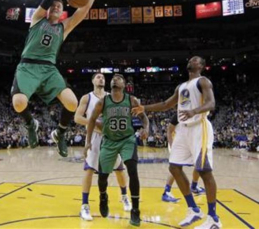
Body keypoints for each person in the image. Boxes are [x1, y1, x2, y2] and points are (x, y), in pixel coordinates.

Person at [11, 0, 106, 157]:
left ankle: (60, 132)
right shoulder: (37, 19)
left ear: (63, 11)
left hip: (49, 69)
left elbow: (85, 9)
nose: (55, 6)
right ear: (47, 9)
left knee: (72, 103)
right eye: (53, 5)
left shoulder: (64, 27)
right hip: (28, 66)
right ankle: (31, 124)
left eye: (59, 5)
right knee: (19, 103)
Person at [133, 56, 222, 229]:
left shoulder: (203, 81)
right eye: (190, 59)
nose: (191, 60)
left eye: (196, 60)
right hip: (183, 129)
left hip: (199, 127)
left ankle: (213, 218)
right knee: (174, 167)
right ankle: (194, 210)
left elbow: (211, 103)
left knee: (204, 170)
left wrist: (194, 111)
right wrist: (145, 108)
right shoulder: (181, 86)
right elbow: (166, 104)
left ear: (201, 66)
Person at [86, 74, 149, 226]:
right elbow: (92, 120)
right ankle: (103, 197)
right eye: (114, 78)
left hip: (127, 140)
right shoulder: (103, 102)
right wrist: (88, 142)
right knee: (102, 176)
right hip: (108, 141)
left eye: (119, 78)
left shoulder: (131, 100)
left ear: (124, 84)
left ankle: (135, 210)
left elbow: (144, 118)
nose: (115, 79)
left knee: (132, 170)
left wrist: (146, 128)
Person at [75, 73, 131, 221]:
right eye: (98, 77)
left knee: (119, 169)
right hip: (94, 137)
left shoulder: (111, 96)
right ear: (92, 80)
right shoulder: (87, 98)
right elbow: (77, 117)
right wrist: (94, 124)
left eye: (103, 78)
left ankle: (125, 197)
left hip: (111, 137)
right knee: (89, 169)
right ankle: (84, 205)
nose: (101, 79)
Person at [162, 114, 205, 203]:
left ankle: (194, 186)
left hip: (191, 143)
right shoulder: (179, 114)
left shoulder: (196, 114)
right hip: (178, 144)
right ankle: (167, 192)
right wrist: (171, 145)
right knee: (176, 167)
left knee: (199, 163)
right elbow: (169, 130)